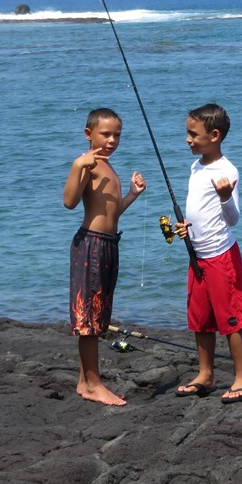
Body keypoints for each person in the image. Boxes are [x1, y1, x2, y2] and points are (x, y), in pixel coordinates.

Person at [174, 102, 242, 404]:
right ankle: (205, 374)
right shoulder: (196, 167)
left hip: (221, 255)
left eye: (193, 134)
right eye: (187, 133)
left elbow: (233, 218)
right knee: (201, 317)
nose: (188, 139)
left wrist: (225, 198)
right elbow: (198, 210)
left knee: (231, 319)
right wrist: (186, 227)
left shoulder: (227, 170)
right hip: (197, 255)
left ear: (215, 135)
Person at [63, 107, 145, 406]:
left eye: (117, 135)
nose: (112, 140)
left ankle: (86, 381)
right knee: (89, 317)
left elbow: (112, 214)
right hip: (91, 245)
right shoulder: (88, 165)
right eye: (105, 134)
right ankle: (93, 383)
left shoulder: (109, 167)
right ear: (89, 134)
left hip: (109, 242)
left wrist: (132, 195)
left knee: (98, 316)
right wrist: (78, 165)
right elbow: (69, 202)